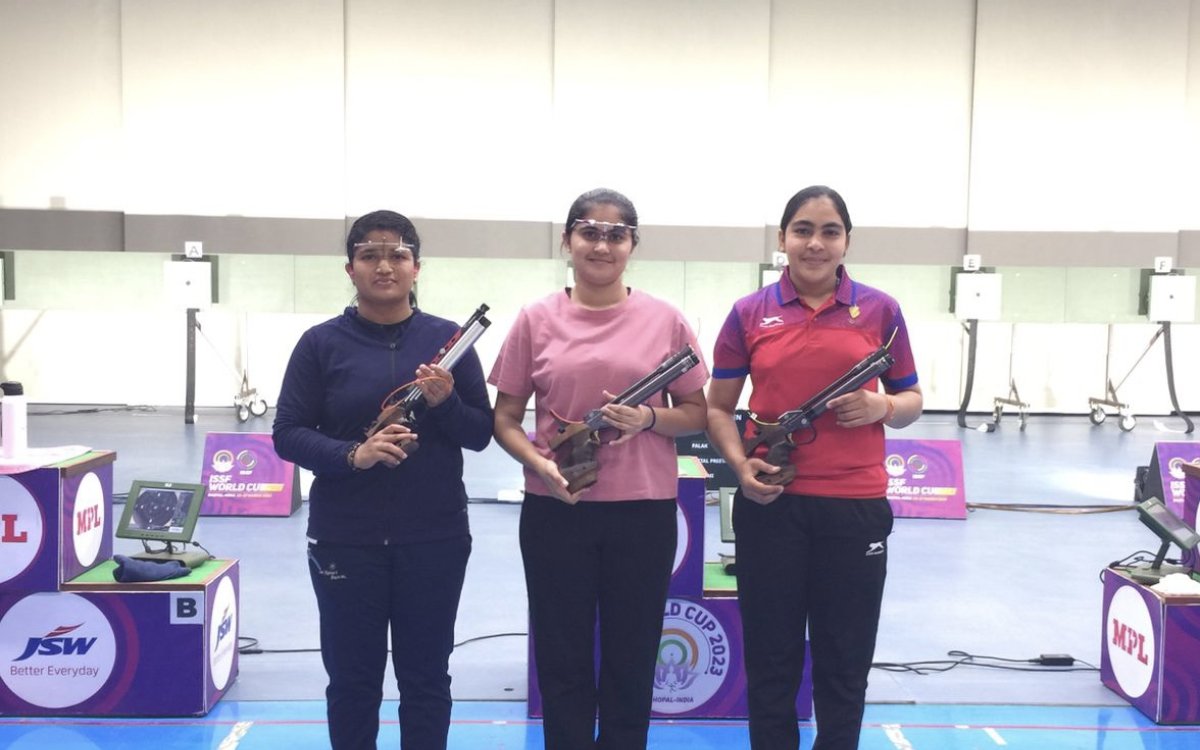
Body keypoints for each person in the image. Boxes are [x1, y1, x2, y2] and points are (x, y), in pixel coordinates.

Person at [489, 188, 709, 749]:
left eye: (616, 233)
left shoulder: (666, 320)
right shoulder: (535, 319)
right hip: (555, 512)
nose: (602, 244)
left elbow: (696, 413)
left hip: (642, 515)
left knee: (632, 663)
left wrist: (648, 419)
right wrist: (539, 463)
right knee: (561, 663)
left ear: (633, 244)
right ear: (567, 241)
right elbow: (507, 418)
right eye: (588, 231)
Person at [705, 185, 923, 750]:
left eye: (829, 231)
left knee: (844, 663)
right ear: (782, 239)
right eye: (803, 230)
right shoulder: (749, 313)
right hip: (772, 506)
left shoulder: (881, 311)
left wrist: (884, 407)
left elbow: (912, 399)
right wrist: (738, 467)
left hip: (855, 509)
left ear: (847, 240)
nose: (815, 243)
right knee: (772, 662)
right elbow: (717, 408)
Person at [272, 210, 493, 750]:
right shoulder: (320, 344)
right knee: (352, 681)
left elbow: (480, 433)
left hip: (434, 538)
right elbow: (287, 433)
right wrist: (354, 454)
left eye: (397, 254)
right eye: (370, 255)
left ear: (417, 267)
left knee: (426, 679)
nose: (384, 265)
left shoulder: (451, 342)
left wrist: (443, 404)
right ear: (350, 268)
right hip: (346, 539)